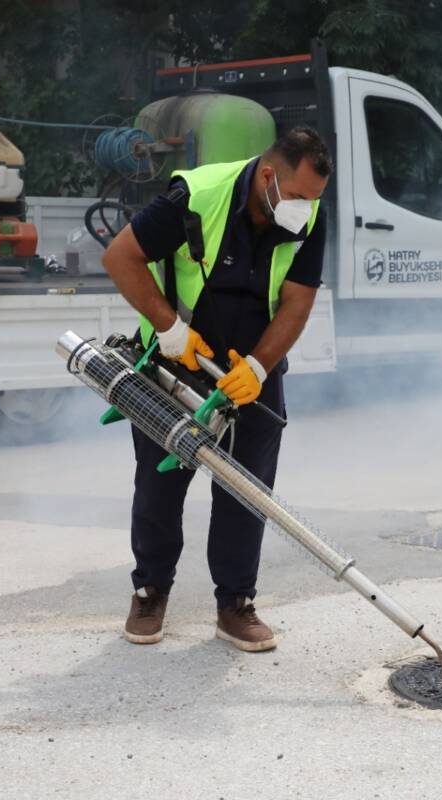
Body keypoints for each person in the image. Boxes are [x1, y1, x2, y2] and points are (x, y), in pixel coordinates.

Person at [101, 126, 331, 652]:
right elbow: (120, 257)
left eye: (314, 199)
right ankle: (150, 589)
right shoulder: (197, 197)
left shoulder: (309, 213)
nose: (305, 208)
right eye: (297, 196)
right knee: (160, 482)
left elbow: (297, 302)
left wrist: (259, 366)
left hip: (248, 370)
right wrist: (169, 328)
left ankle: (235, 604)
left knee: (247, 489)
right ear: (269, 176)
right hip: (177, 360)